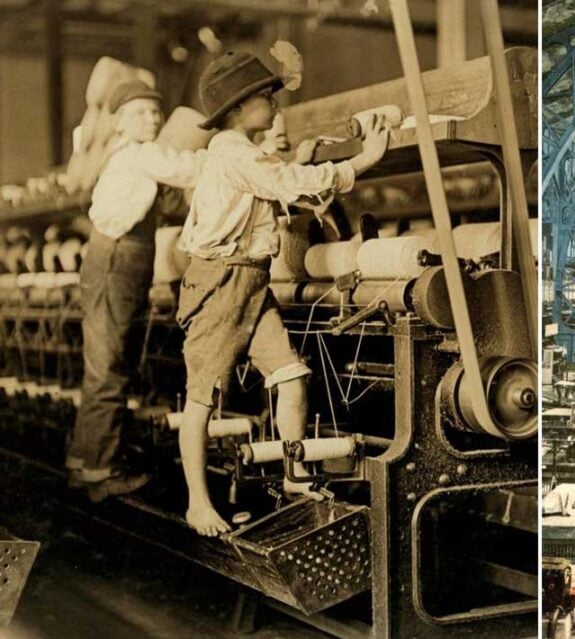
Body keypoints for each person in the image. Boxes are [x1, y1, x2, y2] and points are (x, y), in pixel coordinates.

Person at [177, 51, 389, 536]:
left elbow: (288, 184)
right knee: (202, 399)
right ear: (236, 109)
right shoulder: (234, 151)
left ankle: (294, 476)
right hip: (220, 282)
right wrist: (363, 160)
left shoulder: (244, 153)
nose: (275, 105)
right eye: (265, 97)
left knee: (291, 375)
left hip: (251, 280)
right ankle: (196, 503)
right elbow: (289, 182)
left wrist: (313, 165)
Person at [67, 80, 205, 501]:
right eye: (141, 112)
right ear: (120, 122)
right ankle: (101, 474)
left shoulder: (129, 158)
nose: (152, 118)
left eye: (154, 111)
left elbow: (168, 205)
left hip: (115, 261)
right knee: (109, 366)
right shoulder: (140, 154)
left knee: (106, 364)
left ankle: (84, 459)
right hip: (117, 263)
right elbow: (190, 169)